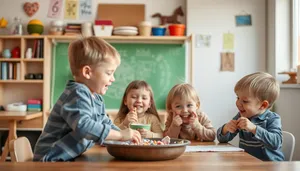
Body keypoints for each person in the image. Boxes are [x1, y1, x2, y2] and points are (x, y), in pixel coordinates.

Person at [33, 37, 141, 162]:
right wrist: (121, 135)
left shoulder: (96, 98)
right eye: (109, 73)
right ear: (87, 72)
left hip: (63, 158)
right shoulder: (78, 93)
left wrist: (126, 137)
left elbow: (105, 124)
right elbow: (83, 127)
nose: (113, 79)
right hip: (49, 159)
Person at [217, 72, 284, 161]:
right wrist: (226, 129)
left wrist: (254, 129)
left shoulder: (272, 118)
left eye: (245, 101)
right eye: (237, 98)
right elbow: (221, 139)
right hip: (247, 163)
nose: (238, 103)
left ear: (263, 105)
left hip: (270, 166)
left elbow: (276, 143)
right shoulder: (241, 116)